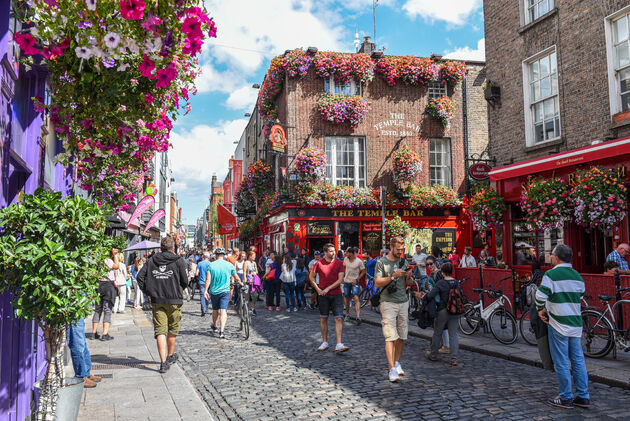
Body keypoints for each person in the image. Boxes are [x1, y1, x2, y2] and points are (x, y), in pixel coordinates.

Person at [535, 244, 589, 409]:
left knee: (561, 361)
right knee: (578, 360)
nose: (551, 257)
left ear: (557, 257)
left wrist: (541, 309)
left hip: (558, 322)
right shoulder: (577, 276)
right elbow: (581, 294)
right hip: (575, 323)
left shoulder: (551, 274)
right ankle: (583, 395)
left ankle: (565, 396)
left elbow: (539, 296)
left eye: (551, 254)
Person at [136, 236, 189, 373]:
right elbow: (185, 281)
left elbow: (139, 277)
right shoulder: (179, 261)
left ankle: (163, 361)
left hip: (157, 300)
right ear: (173, 248)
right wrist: (179, 288)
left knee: (160, 331)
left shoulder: (152, 260)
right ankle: (170, 355)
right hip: (174, 300)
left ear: (161, 248)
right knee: (172, 330)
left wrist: (148, 291)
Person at [374, 236, 414, 382]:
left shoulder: (404, 262)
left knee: (402, 335)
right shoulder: (381, 262)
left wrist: (409, 277)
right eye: (397, 249)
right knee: (390, 336)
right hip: (387, 302)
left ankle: (397, 363)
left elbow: (408, 283)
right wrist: (393, 276)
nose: (400, 251)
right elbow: (377, 282)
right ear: (391, 247)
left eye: (402, 249)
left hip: (403, 301)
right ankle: (391, 369)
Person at [309, 243, 349, 353]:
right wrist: (318, 290)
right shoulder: (319, 263)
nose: (333, 253)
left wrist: (328, 288)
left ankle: (339, 344)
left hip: (336, 294)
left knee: (339, 318)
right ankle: (325, 342)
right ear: (325, 252)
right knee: (323, 318)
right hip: (323, 295)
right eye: (331, 251)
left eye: (334, 251)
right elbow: (311, 277)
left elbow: (340, 279)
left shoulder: (339, 263)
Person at [424, 262, 460, 366]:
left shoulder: (440, 283)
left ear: (443, 272)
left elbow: (431, 295)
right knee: (453, 334)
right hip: (454, 310)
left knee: (437, 332)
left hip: (442, 310)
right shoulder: (456, 282)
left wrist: (424, 297)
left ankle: (433, 354)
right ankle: (454, 358)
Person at [204, 247, 242, 339]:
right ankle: (222, 332)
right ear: (224, 255)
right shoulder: (229, 265)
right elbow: (236, 276)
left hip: (214, 291)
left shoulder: (211, 265)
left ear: (216, 256)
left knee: (215, 310)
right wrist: (241, 283)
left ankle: (215, 326)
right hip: (225, 291)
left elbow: (208, 279)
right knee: (223, 310)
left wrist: (205, 290)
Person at [423, 256, 450, 355]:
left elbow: (439, 288)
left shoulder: (438, 273)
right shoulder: (433, 273)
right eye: (427, 264)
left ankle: (444, 346)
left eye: (431, 263)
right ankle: (443, 345)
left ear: (435, 263)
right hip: (437, 301)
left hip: (440, 302)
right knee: (441, 326)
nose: (429, 266)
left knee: (440, 326)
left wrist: (430, 295)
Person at [91, 248, 119, 341]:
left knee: (97, 309)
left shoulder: (95, 260)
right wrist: (115, 255)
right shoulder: (107, 260)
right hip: (108, 285)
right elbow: (116, 266)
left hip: (98, 285)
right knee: (107, 309)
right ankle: (104, 334)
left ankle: (93, 333)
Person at [67, 318, 101, 388]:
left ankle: (86, 373)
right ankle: (81, 377)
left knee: (82, 343)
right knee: (77, 344)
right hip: (73, 316)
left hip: (78, 315)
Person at [342, 247, 366, 324]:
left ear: (351, 253)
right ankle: (347, 314)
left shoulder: (359, 261)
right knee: (346, 298)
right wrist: (342, 277)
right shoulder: (345, 259)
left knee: (356, 297)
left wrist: (357, 279)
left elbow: (363, 271)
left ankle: (358, 316)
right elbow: (344, 268)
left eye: (347, 253)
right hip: (346, 281)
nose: (346, 254)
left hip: (355, 282)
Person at [245, 251, 261, 315]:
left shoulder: (254, 263)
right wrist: (245, 280)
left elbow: (256, 271)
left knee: (255, 295)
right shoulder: (246, 263)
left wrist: (255, 273)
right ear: (249, 256)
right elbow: (244, 272)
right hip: (248, 281)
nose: (254, 257)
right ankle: (246, 308)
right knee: (247, 296)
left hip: (254, 281)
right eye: (253, 256)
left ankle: (253, 308)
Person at [196, 252, 211, 317]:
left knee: (202, 295)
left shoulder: (200, 263)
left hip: (202, 282)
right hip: (209, 282)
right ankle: (206, 308)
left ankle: (203, 309)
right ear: (209, 257)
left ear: (203, 257)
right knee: (208, 294)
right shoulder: (211, 264)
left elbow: (196, 273)